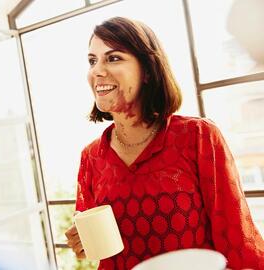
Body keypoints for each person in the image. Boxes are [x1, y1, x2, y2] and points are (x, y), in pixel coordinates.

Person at [65, 17, 264, 270]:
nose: (97, 71)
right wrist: (81, 243)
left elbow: (236, 238)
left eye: (113, 58)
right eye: (92, 61)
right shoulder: (91, 156)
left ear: (147, 70)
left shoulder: (198, 136)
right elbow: (95, 248)